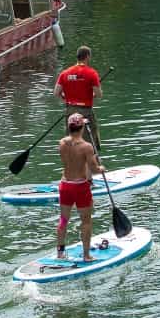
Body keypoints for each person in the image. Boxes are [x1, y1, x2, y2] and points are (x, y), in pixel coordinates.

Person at [56, 114, 106, 261]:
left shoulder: (62, 142)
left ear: (69, 127)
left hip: (65, 185)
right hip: (80, 187)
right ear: (82, 127)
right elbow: (94, 169)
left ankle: (60, 253)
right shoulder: (87, 147)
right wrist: (101, 168)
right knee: (86, 221)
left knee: (64, 219)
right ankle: (86, 256)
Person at [57, 45, 102, 144]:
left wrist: (64, 98)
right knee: (89, 143)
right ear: (87, 56)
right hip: (85, 112)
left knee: (71, 142)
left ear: (77, 56)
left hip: (70, 112)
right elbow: (99, 94)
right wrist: (93, 93)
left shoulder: (64, 73)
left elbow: (56, 92)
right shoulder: (92, 73)